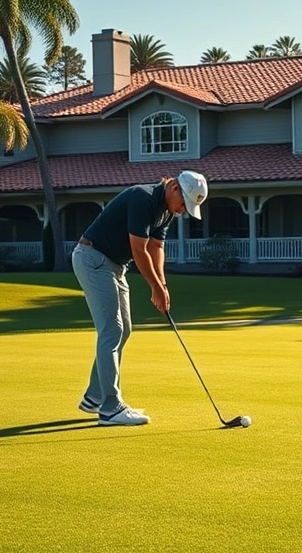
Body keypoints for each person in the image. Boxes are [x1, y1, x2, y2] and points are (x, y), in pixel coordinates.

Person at [72, 170, 208, 426]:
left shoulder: (166, 210)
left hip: (114, 265)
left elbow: (156, 247)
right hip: (93, 259)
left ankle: (95, 396)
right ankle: (110, 407)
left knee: (124, 330)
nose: (182, 211)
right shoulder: (142, 198)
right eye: (183, 205)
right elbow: (138, 249)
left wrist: (163, 285)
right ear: (175, 188)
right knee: (112, 329)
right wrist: (154, 288)